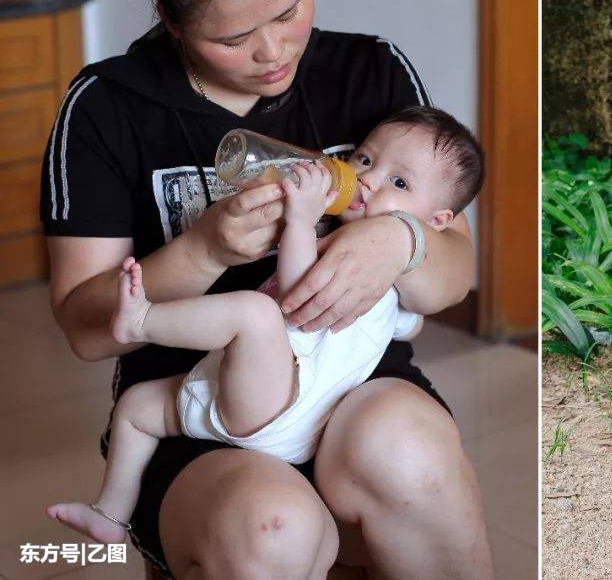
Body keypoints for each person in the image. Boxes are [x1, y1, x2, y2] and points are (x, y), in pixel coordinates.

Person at [39, 0, 492, 577]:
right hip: (207, 407)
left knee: (411, 455)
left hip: (352, 383)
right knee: (272, 529)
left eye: (290, 11)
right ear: (170, 18)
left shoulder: (368, 70)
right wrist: (205, 248)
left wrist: (402, 241)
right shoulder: (107, 107)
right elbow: (84, 325)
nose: (274, 51)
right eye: (233, 37)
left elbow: (452, 272)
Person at [46, 106, 484, 549]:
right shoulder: (374, 274)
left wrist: (298, 220)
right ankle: (110, 514)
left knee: (255, 314)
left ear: (436, 223)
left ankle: (141, 320)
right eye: (366, 160)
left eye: (400, 183)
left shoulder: (364, 265)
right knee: (137, 409)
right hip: (242, 390)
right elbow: (407, 325)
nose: (368, 180)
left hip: (285, 409)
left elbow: (297, 291)